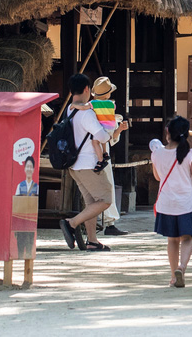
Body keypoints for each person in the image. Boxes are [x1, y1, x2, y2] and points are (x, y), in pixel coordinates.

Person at [62, 73, 126, 252]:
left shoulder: (70, 109)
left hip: (75, 165)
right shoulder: (88, 114)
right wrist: (111, 127)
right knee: (105, 200)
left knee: (91, 204)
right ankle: (71, 223)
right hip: (89, 165)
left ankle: (92, 241)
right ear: (86, 89)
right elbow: (102, 136)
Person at [151, 117, 192, 287]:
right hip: (186, 203)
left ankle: (173, 275)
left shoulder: (157, 153)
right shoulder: (190, 154)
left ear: (168, 132)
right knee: (188, 238)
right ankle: (182, 268)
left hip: (166, 203)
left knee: (172, 240)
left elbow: (157, 177)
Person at [91, 76, 128, 235]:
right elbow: (108, 135)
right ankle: (109, 223)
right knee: (108, 186)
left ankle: (92, 223)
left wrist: (118, 130)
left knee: (90, 190)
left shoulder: (87, 107)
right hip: (101, 152)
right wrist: (117, 129)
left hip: (87, 152)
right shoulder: (107, 109)